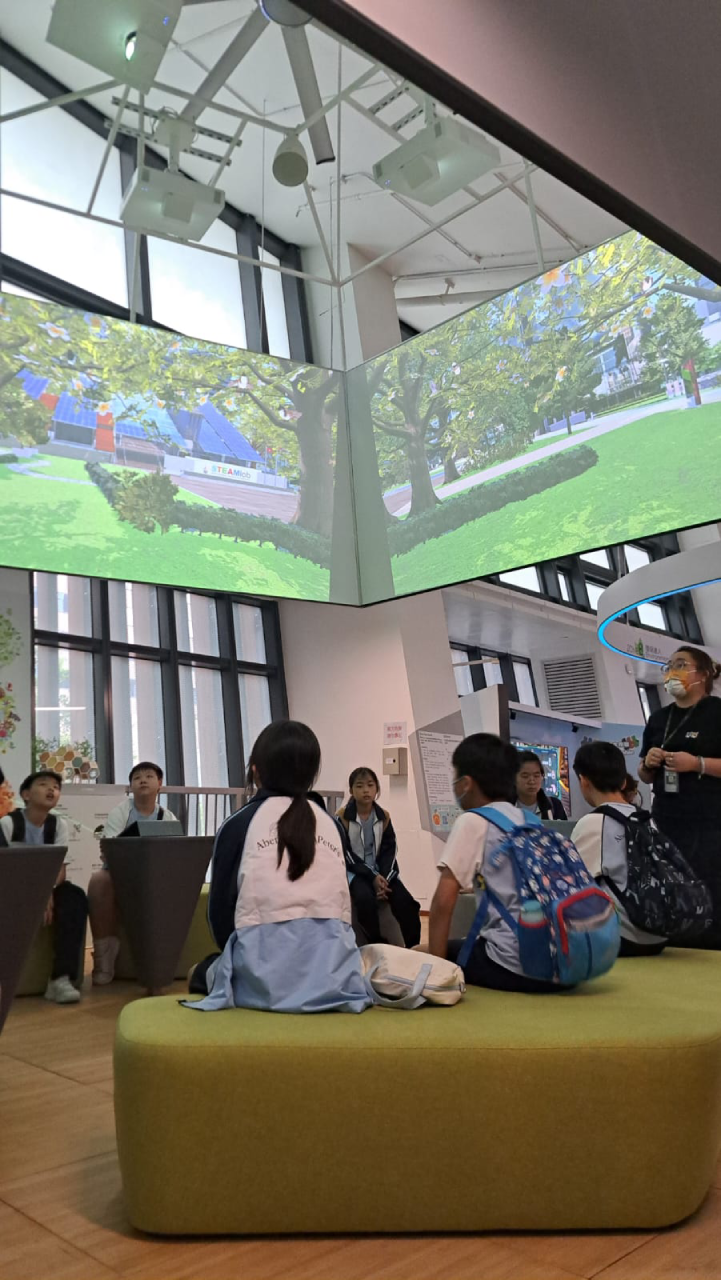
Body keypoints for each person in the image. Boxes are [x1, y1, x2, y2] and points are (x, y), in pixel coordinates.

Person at [186, 721, 372, 1013]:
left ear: (256, 771)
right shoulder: (331, 824)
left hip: (262, 980)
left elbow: (220, 917)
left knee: (197, 971)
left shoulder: (238, 825)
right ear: (311, 774)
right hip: (334, 978)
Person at [428, 734, 558, 993]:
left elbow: (443, 902)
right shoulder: (531, 821)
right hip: (558, 960)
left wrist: (436, 972)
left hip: (514, 962)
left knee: (417, 953)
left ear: (466, 784)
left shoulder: (473, 821)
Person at [638, 645, 721, 945]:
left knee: (710, 880)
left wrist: (697, 764)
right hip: (667, 817)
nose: (673, 671)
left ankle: (712, 940)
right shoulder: (659, 718)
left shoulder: (716, 712)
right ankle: (673, 935)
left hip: (710, 819)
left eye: (681, 664)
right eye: (670, 666)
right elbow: (644, 775)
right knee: (670, 879)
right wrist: (648, 763)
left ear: (703, 674)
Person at [0, 771, 88, 1004]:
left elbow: (60, 870)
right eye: (43, 784)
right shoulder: (8, 824)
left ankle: (60, 979)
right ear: (26, 795)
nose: (51, 790)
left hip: (46, 887)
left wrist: (45, 892)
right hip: (12, 888)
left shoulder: (58, 825)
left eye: (56, 787)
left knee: (74, 896)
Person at [571, 742, 666, 956]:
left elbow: (574, 884)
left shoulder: (592, 822)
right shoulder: (646, 820)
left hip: (623, 936)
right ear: (624, 782)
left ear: (583, 781)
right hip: (659, 933)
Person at [88, 761, 176, 985]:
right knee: (98, 881)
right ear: (130, 786)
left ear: (160, 784)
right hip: (119, 875)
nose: (143, 780)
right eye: (137, 778)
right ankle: (104, 960)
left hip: (154, 877)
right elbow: (109, 850)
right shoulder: (120, 813)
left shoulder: (168, 817)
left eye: (149, 776)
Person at [337, 767, 421, 948]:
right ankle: (375, 942)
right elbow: (346, 855)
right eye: (359, 786)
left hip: (382, 872)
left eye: (370, 785)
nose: (366, 790)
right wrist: (371, 876)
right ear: (351, 790)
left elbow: (390, 850)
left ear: (377, 789)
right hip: (355, 873)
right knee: (364, 899)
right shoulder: (342, 818)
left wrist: (383, 878)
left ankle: (413, 947)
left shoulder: (384, 817)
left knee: (407, 903)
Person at [515, 750, 567, 819]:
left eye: (536, 776)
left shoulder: (555, 806)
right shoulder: (505, 807)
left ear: (542, 777)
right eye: (525, 776)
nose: (532, 781)